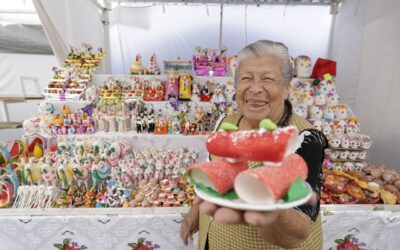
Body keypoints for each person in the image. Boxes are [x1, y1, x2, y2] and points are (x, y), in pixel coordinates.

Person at [180, 40, 327, 250]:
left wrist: (271, 206)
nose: (255, 89)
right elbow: (213, 171)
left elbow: (297, 233)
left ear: (286, 89)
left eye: (268, 79)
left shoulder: (304, 139)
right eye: (246, 78)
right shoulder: (226, 122)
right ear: (236, 85)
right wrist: (195, 212)